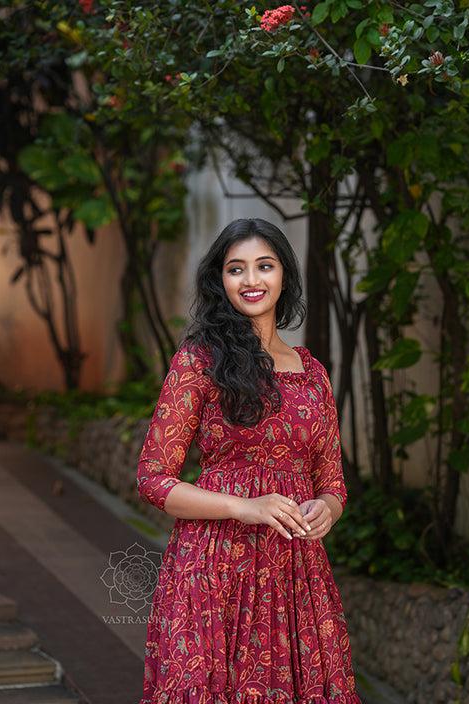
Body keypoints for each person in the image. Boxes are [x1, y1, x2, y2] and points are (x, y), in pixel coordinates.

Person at [136, 217, 362, 704]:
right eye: (236, 269)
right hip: (212, 567)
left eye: (265, 265)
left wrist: (327, 508)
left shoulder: (313, 373)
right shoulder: (199, 360)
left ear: (285, 276)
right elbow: (154, 480)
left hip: (294, 574)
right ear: (221, 280)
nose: (252, 280)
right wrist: (247, 507)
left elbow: (333, 484)